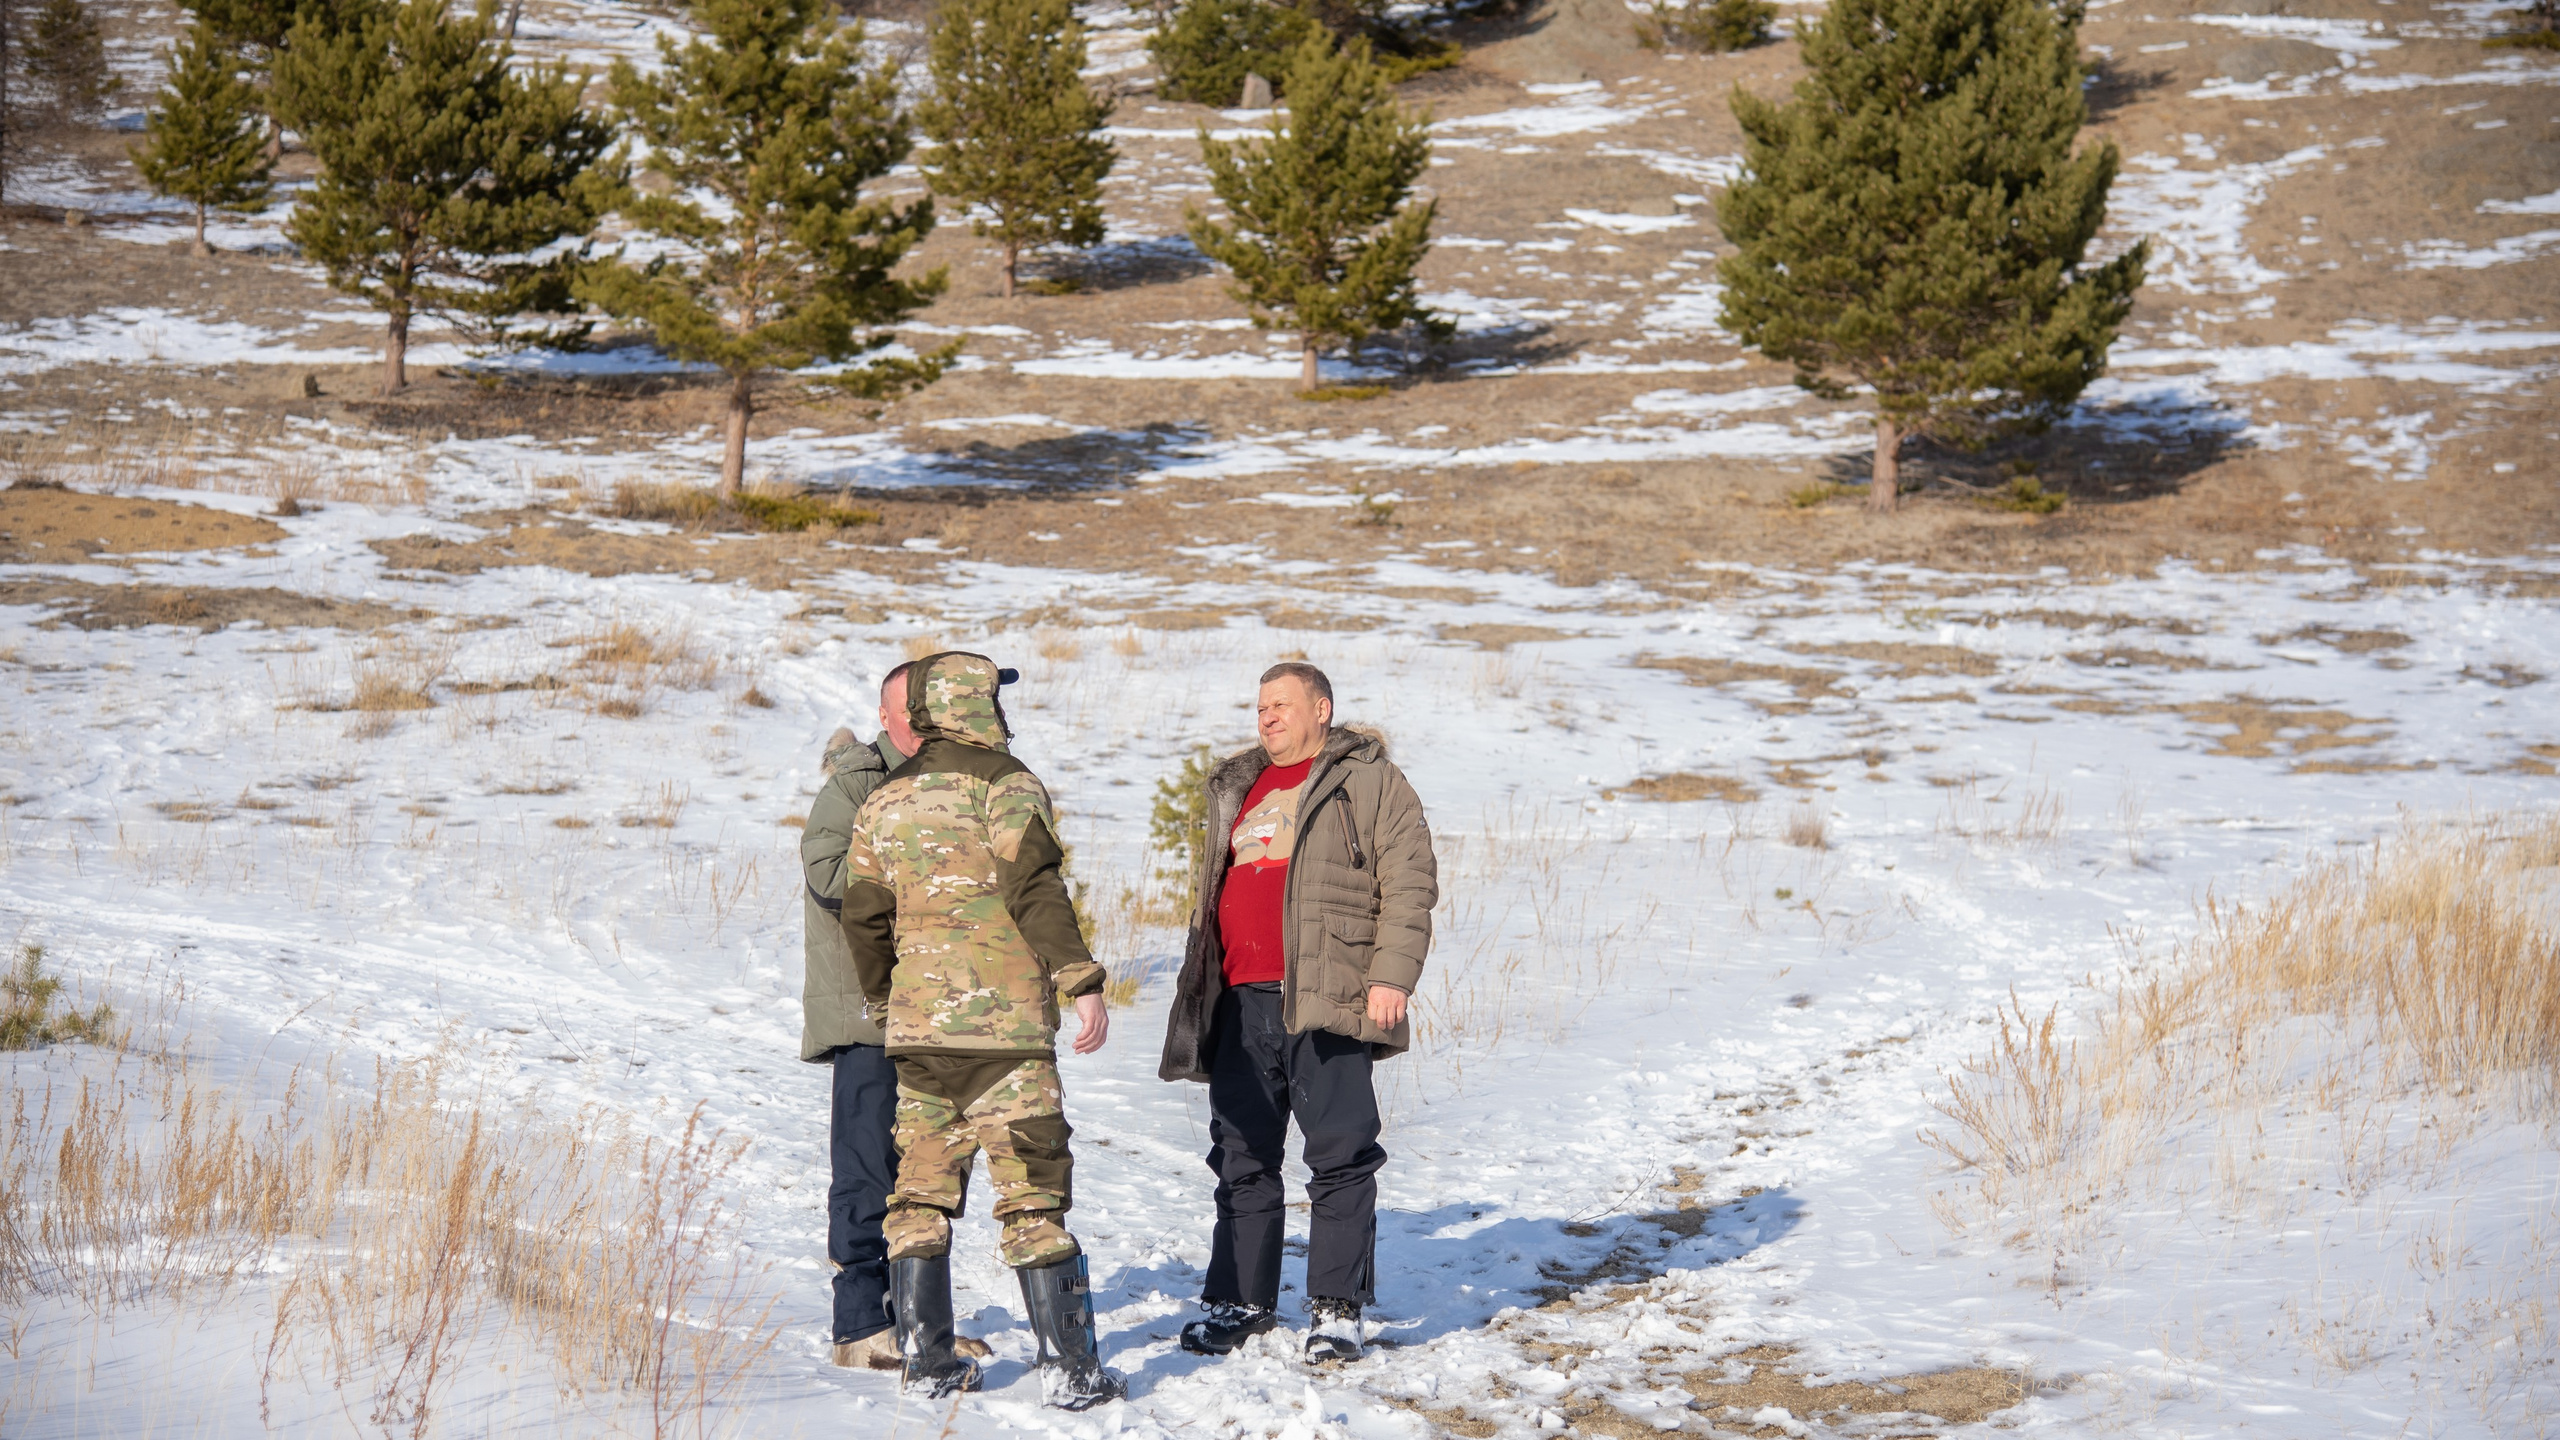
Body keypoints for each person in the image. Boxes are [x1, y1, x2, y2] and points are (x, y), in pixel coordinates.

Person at [841, 651, 1125, 1409]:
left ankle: (928, 1364)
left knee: (919, 1197)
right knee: (1032, 1197)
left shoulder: (883, 801)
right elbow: (1033, 886)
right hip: (1005, 1037)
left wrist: (886, 999)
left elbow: (864, 916)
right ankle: (1072, 1372)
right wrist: (1081, 979)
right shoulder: (1007, 783)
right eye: (996, 695)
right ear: (976, 703)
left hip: (920, 1039)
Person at [1158, 661, 1439, 1364]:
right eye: (1259, 707)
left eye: (1281, 705)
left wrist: (1392, 977)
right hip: (1239, 998)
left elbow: (1409, 884)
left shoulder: (1370, 781)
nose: (1266, 717)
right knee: (1241, 1156)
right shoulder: (1239, 786)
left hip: (1329, 994)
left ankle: (1337, 1310)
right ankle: (1241, 1302)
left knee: (1340, 1155)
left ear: (1322, 708)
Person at [800, 663, 996, 1370]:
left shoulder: (968, 781)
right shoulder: (855, 784)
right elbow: (827, 875)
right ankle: (859, 1328)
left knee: (933, 1173)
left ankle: (921, 1323)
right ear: (889, 716)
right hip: (871, 1017)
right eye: (918, 705)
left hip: (948, 1014)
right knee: (867, 1171)